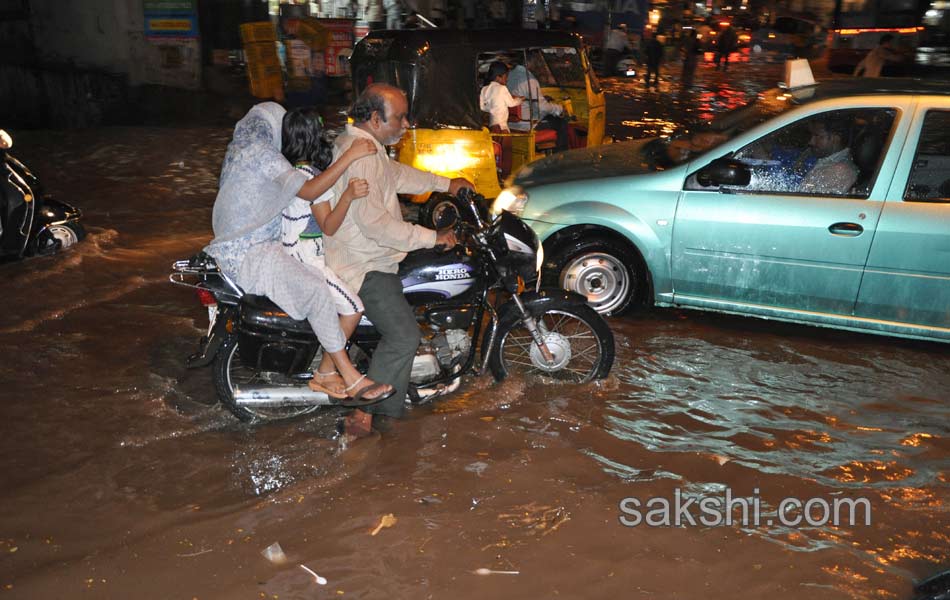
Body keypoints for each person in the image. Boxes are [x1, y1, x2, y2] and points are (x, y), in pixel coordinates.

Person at [205, 102, 395, 404]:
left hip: (250, 246)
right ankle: (345, 377)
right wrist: (350, 157)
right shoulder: (264, 155)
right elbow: (310, 193)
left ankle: (330, 366)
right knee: (318, 292)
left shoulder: (242, 149)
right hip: (251, 252)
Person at [324, 84, 474, 431]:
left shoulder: (368, 148)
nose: (406, 124)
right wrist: (432, 237)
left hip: (371, 254)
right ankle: (363, 414)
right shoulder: (359, 157)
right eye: (400, 117)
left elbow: (397, 176)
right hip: (364, 265)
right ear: (376, 119)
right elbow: (376, 225)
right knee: (405, 336)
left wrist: (446, 184)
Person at [278, 106, 379, 399]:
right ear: (314, 137)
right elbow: (329, 225)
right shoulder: (310, 178)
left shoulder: (289, 171)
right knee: (353, 308)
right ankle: (325, 372)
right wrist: (347, 195)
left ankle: (328, 366)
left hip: (297, 252)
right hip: (306, 258)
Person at [507, 55, 570, 151]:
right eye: (536, 59)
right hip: (526, 126)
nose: (538, 63)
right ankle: (561, 158)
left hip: (511, 123)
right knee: (561, 122)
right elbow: (542, 108)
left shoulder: (509, 75)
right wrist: (560, 108)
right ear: (530, 60)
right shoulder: (530, 80)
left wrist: (544, 100)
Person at [480, 61, 523, 175]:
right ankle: (506, 178)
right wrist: (520, 99)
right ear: (499, 77)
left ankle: (496, 174)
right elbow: (511, 103)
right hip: (503, 128)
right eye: (505, 77)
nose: (507, 80)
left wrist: (492, 108)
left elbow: (482, 107)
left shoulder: (484, 89)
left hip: (492, 127)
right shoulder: (502, 89)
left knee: (496, 156)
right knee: (507, 155)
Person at [801, 117, 858, 195]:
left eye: (817, 136)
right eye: (812, 136)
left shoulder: (840, 172)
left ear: (836, 138)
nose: (811, 142)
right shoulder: (823, 155)